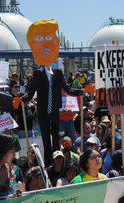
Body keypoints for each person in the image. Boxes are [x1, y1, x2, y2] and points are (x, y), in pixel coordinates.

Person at [23, 20, 78, 165]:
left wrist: (81, 92)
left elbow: (68, 89)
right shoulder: (37, 74)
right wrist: (21, 99)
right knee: (46, 139)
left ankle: (56, 161)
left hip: (54, 110)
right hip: (42, 111)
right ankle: (48, 162)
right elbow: (30, 92)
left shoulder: (58, 73)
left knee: (55, 137)